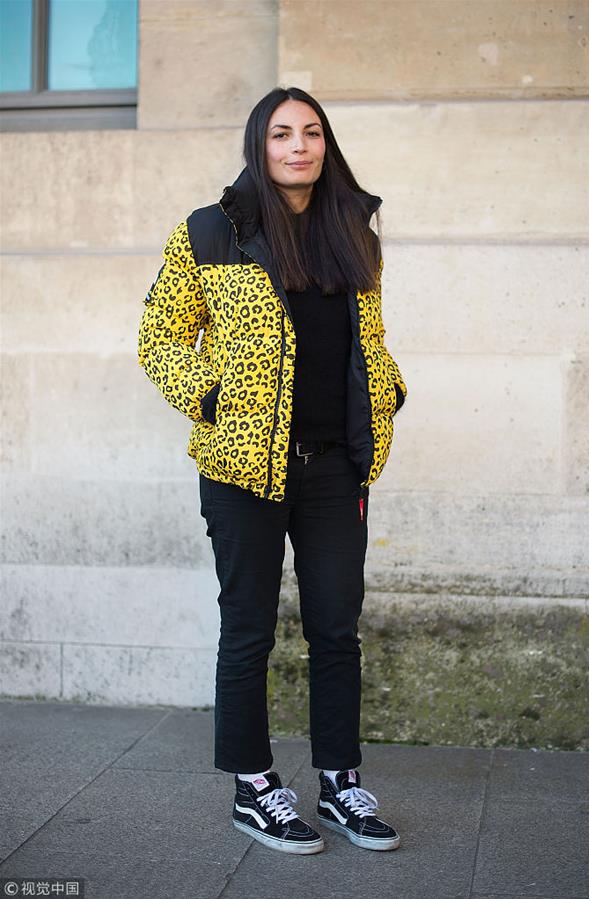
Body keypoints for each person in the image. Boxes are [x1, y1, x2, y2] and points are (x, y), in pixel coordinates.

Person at [138, 86, 407, 855]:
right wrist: (210, 397)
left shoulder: (352, 232)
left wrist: (387, 389)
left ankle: (339, 782)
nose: (298, 146)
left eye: (311, 132)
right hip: (241, 468)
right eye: (282, 133)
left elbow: (367, 338)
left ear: (326, 144)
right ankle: (254, 787)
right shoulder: (210, 230)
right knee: (249, 628)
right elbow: (159, 337)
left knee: (336, 628)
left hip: (334, 467)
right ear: (259, 144)